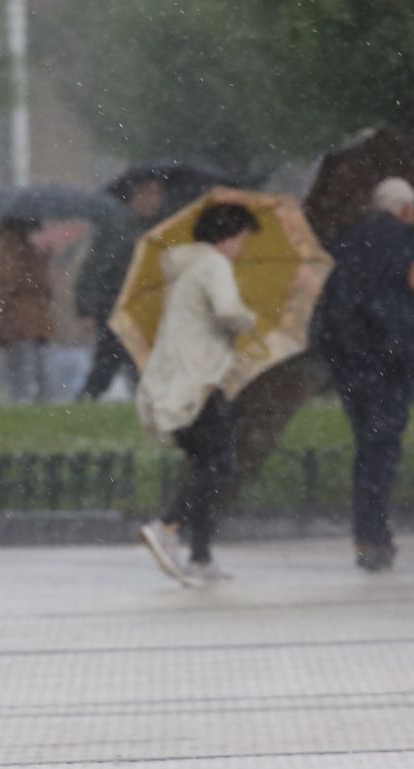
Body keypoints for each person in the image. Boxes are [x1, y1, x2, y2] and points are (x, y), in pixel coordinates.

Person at [310, 177, 414, 572]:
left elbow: (328, 297)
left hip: (348, 359)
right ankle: (375, 535)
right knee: (381, 449)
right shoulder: (412, 238)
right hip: (391, 360)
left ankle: (366, 535)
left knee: (366, 444)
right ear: (403, 209)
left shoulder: (342, 239)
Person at [136, 203, 260, 586]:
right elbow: (227, 310)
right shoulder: (214, 265)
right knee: (220, 466)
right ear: (227, 236)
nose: (241, 250)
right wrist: (247, 319)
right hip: (201, 381)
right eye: (241, 240)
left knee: (205, 465)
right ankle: (168, 526)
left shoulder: (185, 268)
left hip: (178, 379)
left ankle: (201, 557)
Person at [76, 177, 166, 400]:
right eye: (147, 195)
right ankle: (88, 399)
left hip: (143, 308)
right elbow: (94, 268)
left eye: (156, 196)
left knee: (139, 361)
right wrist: (86, 308)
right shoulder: (118, 227)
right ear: (135, 198)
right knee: (109, 361)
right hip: (115, 306)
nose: (152, 202)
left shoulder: (160, 229)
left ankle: (145, 402)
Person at [0, 218, 56, 403]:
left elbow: (7, 279)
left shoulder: (11, 248)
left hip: (18, 314)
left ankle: (25, 396)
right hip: (31, 314)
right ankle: (40, 396)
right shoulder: (28, 249)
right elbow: (44, 286)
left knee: (22, 359)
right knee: (32, 359)